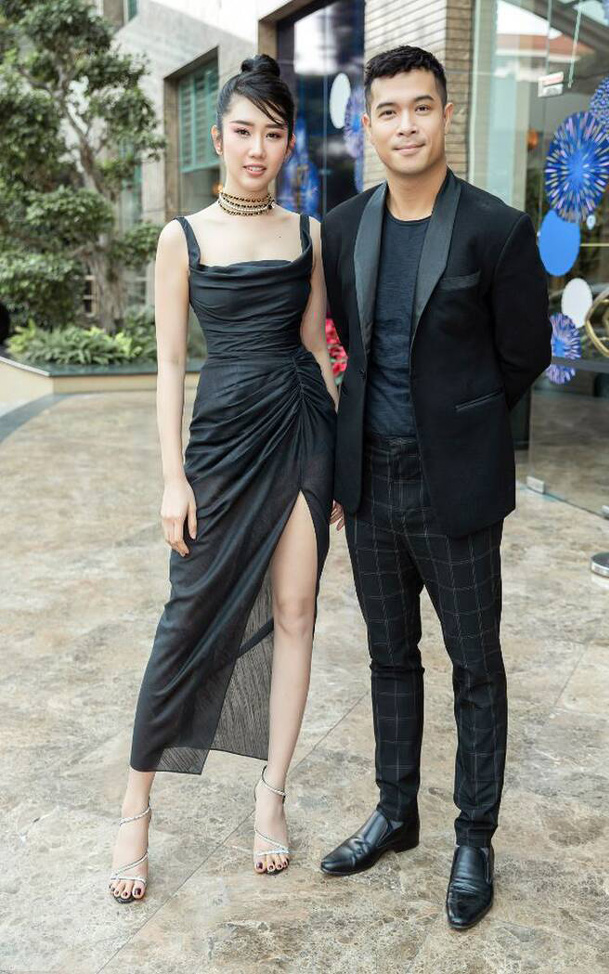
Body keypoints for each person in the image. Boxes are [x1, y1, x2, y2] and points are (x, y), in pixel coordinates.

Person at [319, 45, 551, 930]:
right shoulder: (343, 228)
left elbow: (523, 352)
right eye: (389, 111)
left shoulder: (496, 228)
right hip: (369, 486)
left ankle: (474, 838)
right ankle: (396, 811)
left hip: (455, 490)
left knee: (475, 666)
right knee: (389, 656)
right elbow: (346, 341)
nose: (406, 125)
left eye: (422, 107)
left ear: (446, 115)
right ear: (368, 125)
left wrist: (464, 425)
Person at [108, 54, 337, 903]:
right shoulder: (184, 237)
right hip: (221, 442)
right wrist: (174, 479)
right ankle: (135, 807)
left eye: (273, 134)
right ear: (217, 137)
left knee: (296, 613)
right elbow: (170, 365)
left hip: (302, 431)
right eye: (243, 131)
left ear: (288, 144)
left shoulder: (308, 234)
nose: (256, 149)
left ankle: (271, 795)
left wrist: (337, 462)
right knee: (188, 619)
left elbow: (315, 348)